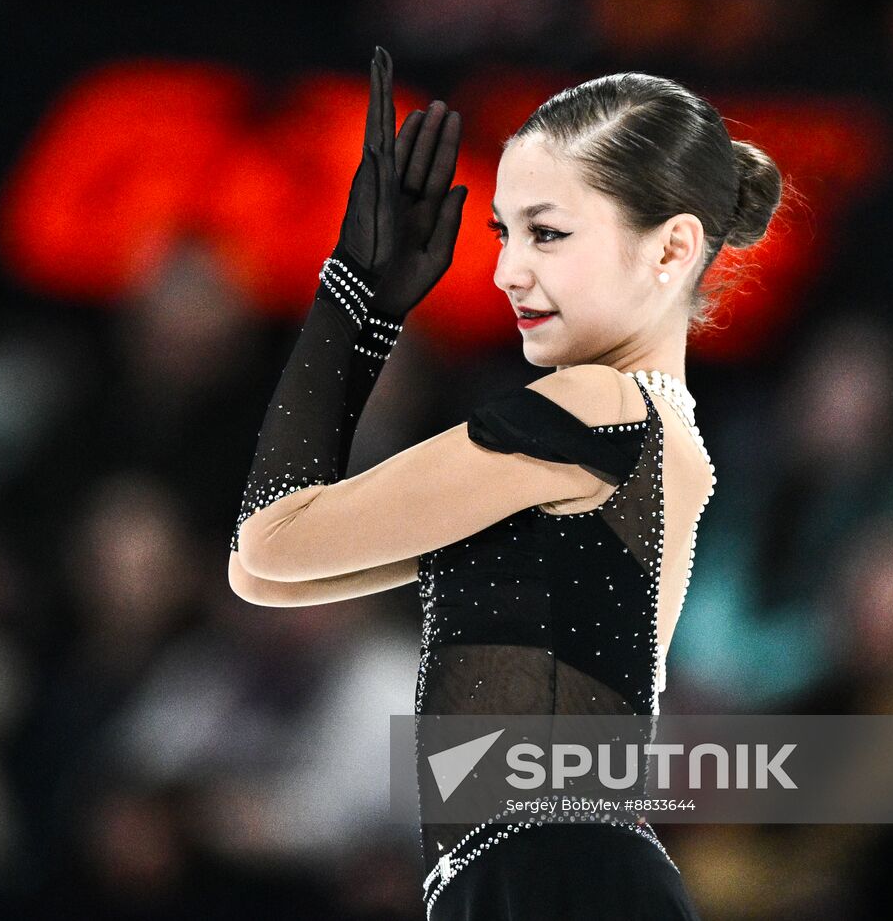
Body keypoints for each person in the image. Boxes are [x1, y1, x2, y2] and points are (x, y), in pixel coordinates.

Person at [228, 46, 781, 920]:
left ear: (672, 247)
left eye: (549, 232)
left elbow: (269, 538)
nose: (507, 271)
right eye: (504, 232)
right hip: (558, 871)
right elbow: (269, 578)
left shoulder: (589, 410)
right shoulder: (662, 436)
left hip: (551, 871)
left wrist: (357, 299)